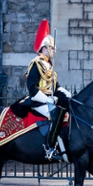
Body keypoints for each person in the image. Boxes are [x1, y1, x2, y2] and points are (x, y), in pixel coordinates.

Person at [24, 20, 72, 161]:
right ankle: (50, 149)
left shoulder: (50, 67)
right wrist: (47, 99)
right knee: (56, 114)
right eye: (51, 48)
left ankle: (64, 147)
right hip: (38, 101)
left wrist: (66, 93)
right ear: (44, 48)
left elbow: (55, 87)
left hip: (49, 100)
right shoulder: (36, 63)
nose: (54, 50)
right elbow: (32, 87)